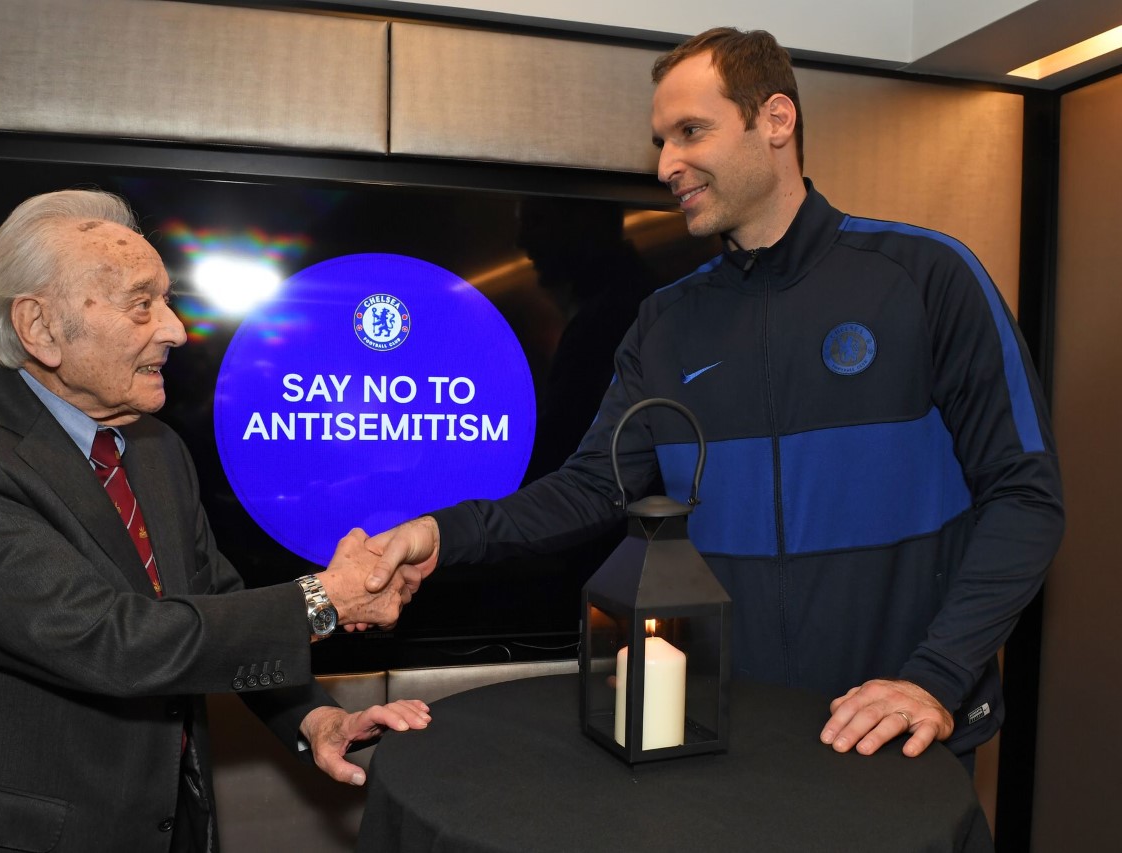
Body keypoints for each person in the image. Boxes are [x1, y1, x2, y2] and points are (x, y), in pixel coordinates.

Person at [362, 27, 1063, 766]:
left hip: (899, 736)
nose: (666, 165)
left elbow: (1026, 495)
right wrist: (442, 533)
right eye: (661, 140)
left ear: (776, 121)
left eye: (691, 131)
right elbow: (591, 486)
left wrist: (936, 677)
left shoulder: (926, 276)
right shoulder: (666, 321)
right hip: (734, 742)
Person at [0, 189, 429, 853]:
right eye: (143, 304)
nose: (175, 329)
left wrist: (312, 717)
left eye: (166, 300)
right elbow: (108, 639)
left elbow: (212, 601)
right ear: (40, 328)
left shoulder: (155, 444)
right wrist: (322, 601)